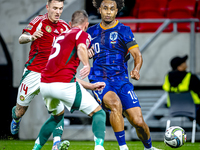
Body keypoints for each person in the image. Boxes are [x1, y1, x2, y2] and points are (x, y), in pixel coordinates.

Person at [87, 0, 161, 150]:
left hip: (121, 81)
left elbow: (137, 55)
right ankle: (123, 147)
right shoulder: (90, 32)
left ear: (117, 11)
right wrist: (85, 53)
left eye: (112, 9)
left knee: (138, 122)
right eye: (105, 8)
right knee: (115, 104)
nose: (108, 12)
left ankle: (149, 147)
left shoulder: (124, 30)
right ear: (99, 10)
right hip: (99, 79)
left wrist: (136, 69)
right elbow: (78, 51)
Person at [32, 10, 106, 150]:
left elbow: (66, 74)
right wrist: (86, 64)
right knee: (98, 113)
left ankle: (35, 148)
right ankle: (99, 147)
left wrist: (90, 86)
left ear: (70, 24)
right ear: (86, 24)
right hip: (63, 85)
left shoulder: (59, 37)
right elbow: (82, 47)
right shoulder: (82, 34)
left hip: (45, 84)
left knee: (56, 117)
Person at [10, 0, 70, 149]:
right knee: (20, 110)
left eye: (60, 9)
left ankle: (56, 143)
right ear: (47, 7)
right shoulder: (38, 21)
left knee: (59, 110)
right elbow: (21, 38)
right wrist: (31, 37)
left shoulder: (64, 26)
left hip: (53, 75)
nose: (58, 12)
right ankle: (16, 118)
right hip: (33, 72)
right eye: (55, 8)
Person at [162, 55, 200, 125]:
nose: (186, 65)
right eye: (184, 63)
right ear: (179, 66)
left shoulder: (167, 77)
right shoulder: (191, 77)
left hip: (174, 109)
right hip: (193, 109)